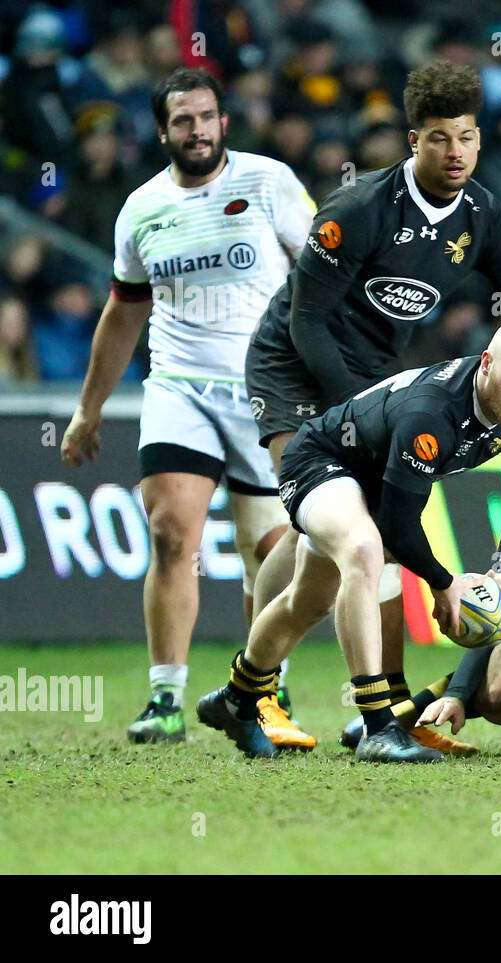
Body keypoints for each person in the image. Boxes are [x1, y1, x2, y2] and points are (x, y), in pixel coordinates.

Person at [242, 60, 501, 723]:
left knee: (320, 551)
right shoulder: (358, 210)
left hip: (374, 376)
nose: (456, 152)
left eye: (468, 137)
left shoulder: (481, 216)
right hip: (295, 367)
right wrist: (355, 417)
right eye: (441, 138)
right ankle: (358, 711)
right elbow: (307, 321)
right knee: (362, 543)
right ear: (412, 139)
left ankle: (255, 686)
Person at [60, 68, 316, 749]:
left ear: (225, 122)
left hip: (265, 388)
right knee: (173, 531)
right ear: (163, 130)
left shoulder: (270, 183)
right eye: (182, 120)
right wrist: (89, 409)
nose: (196, 129)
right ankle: (165, 698)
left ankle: (263, 689)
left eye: (206, 117)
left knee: (268, 548)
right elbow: (122, 313)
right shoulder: (141, 210)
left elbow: (324, 272)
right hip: (178, 386)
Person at [198, 322, 501, 761]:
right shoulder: (432, 413)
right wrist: (444, 584)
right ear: (486, 363)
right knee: (364, 551)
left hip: (369, 479)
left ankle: (236, 698)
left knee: (306, 602)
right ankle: (378, 726)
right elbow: (399, 524)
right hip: (318, 461)